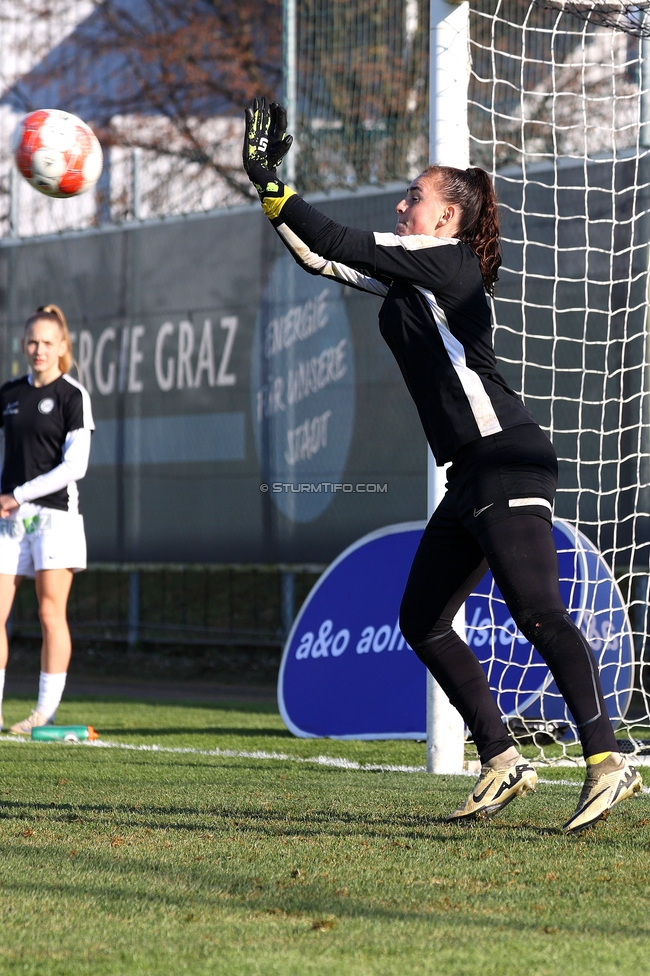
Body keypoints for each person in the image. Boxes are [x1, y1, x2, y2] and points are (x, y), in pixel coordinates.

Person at [243, 97, 642, 834]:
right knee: (421, 620)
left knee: (538, 613)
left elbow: (332, 232)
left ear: (447, 219)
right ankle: (500, 757)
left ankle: (607, 757)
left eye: (415, 197)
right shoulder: (410, 279)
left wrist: (277, 183)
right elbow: (319, 253)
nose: (402, 203)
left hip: (508, 460)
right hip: (471, 474)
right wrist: (267, 187)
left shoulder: (449, 264)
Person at [0, 304, 94, 734]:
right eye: (32, 342)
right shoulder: (10, 394)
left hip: (55, 516)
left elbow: (75, 467)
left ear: (62, 347)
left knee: (49, 613)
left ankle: (44, 713)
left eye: (47, 343)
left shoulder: (72, 395)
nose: (39, 350)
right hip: (9, 519)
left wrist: (17, 495)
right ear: (23, 345)